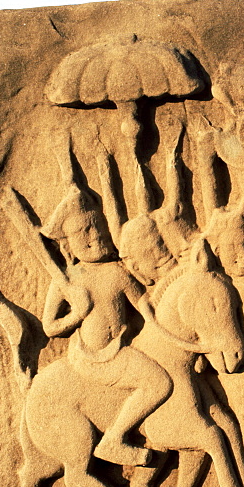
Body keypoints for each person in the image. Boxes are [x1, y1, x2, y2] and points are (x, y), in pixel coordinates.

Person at [40, 185, 173, 467]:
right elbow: (49, 327)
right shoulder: (68, 280)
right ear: (67, 246)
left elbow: (145, 307)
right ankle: (114, 440)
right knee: (159, 383)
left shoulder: (116, 272)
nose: (95, 234)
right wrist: (77, 314)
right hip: (93, 358)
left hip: (121, 347)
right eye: (84, 231)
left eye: (97, 225)